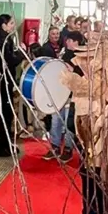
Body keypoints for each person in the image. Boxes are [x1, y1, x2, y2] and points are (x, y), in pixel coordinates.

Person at [0, 14, 25, 158]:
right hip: (2, 82)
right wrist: (21, 53)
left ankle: (4, 144)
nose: (13, 26)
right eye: (11, 24)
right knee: (3, 113)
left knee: (5, 112)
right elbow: (10, 60)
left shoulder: (3, 39)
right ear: (4, 26)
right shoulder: (2, 41)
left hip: (3, 81)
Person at [46, 31, 85, 162]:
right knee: (56, 120)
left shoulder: (82, 56)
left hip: (73, 94)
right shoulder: (64, 54)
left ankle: (68, 148)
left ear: (75, 42)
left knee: (69, 122)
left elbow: (84, 76)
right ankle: (55, 146)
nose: (66, 42)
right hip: (60, 92)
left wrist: (74, 71)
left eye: (68, 40)